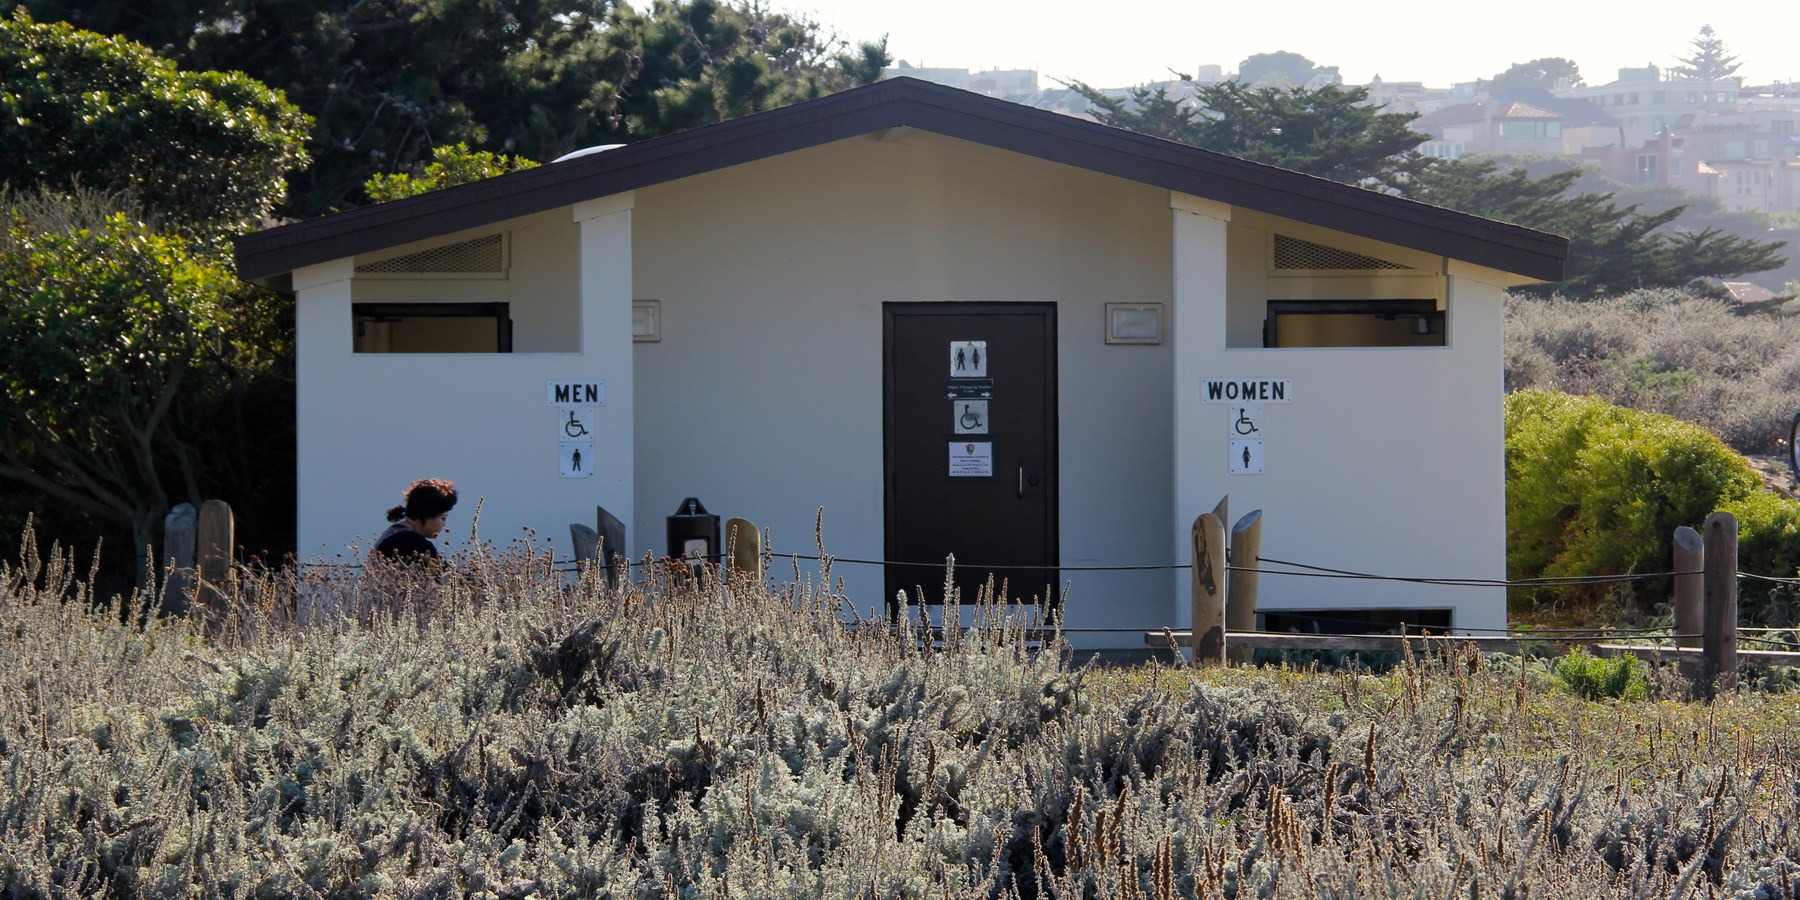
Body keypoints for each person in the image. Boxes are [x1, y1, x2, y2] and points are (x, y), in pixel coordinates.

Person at [372, 478, 458, 564]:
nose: (444, 524)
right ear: (427, 513)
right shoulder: (414, 543)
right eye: (443, 518)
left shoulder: (392, 533)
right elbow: (445, 572)